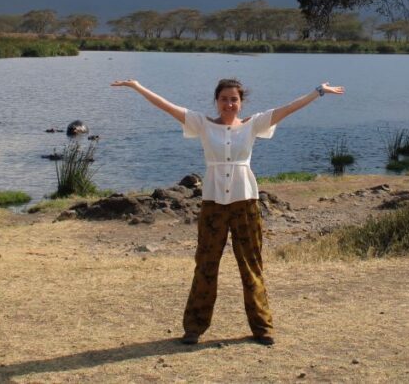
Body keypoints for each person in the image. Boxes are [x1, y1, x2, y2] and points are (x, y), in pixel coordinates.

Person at [111, 77, 345, 345]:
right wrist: (137, 86)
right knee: (206, 265)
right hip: (213, 204)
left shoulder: (253, 124)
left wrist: (318, 92)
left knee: (251, 265)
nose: (229, 104)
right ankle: (193, 328)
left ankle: (262, 327)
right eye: (224, 99)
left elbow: (288, 109)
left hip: (245, 202)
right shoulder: (202, 124)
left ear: (241, 102)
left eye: (234, 99)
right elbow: (167, 106)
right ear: (217, 101)